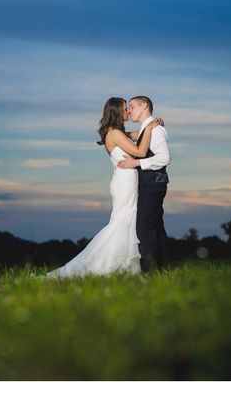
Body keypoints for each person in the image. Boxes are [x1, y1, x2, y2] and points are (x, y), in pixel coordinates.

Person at [47, 97, 158, 278]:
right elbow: (140, 152)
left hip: (127, 179)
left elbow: (138, 135)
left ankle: (126, 264)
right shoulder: (114, 133)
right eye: (125, 109)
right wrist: (151, 127)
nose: (128, 112)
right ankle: (102, 263)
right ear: (116, 112)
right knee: (121, 222)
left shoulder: (118, 132)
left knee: (128, 220)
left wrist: (150, 126)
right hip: (124, 182)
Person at [116, 96, 170, 272]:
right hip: (150, 184)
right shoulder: (147, 129)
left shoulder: (156, 130)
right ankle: (160, 269)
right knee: (155, 227)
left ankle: (149, 272)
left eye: (132, 106)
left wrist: (136, 163)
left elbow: (164, 158)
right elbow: (128, 136)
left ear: (144, 106)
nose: (129, 110)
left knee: (144, 228)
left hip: (154, 183)